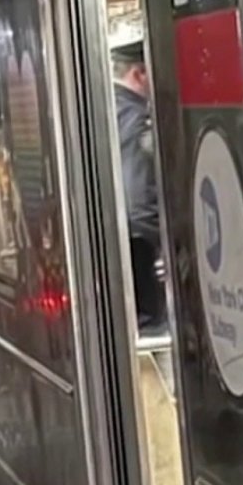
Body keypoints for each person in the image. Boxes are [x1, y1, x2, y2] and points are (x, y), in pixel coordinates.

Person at [111, 36, 166, 331]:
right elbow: (140, 200)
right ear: (139, 74)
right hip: (141, 252)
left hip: (118, 250)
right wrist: (169, 242)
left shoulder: (108, 111)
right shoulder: (138, 118)